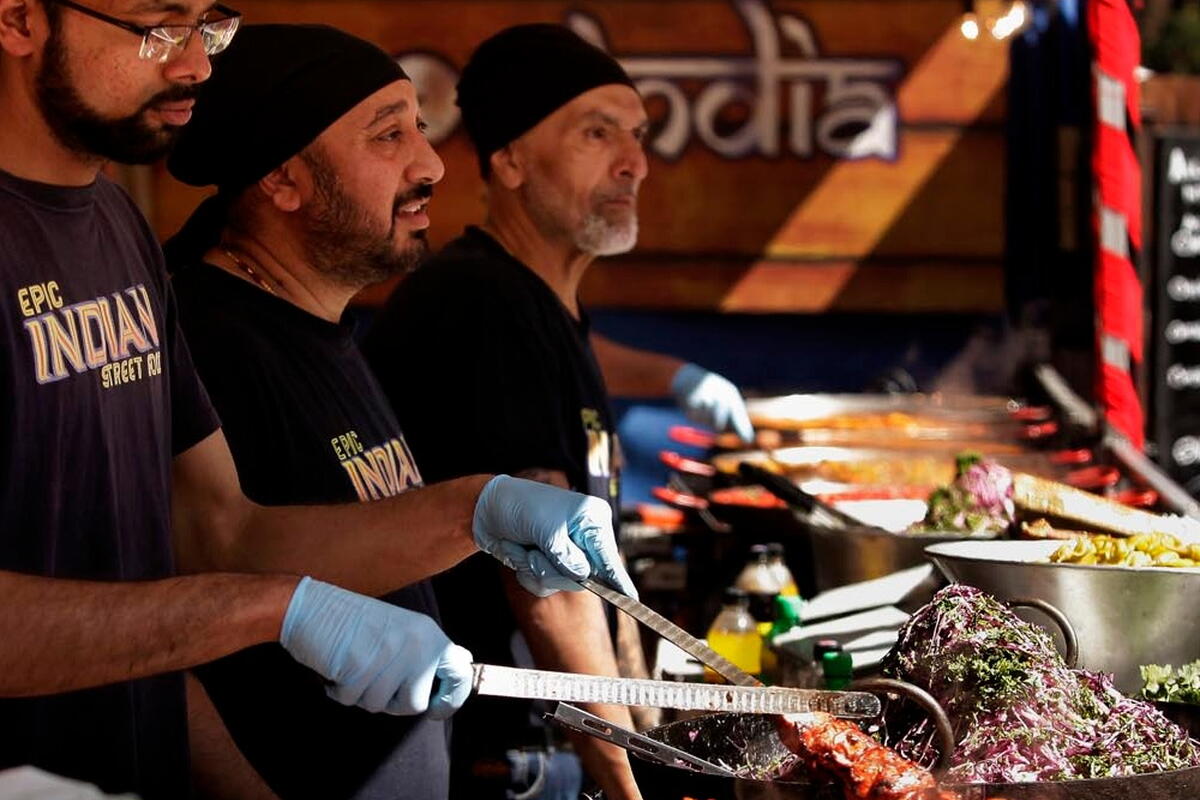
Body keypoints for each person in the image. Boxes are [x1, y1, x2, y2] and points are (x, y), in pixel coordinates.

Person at [0, 4, 634, 798]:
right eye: (159, 25)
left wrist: (473, 511)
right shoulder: (213, 321)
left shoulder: (117, 227)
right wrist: (278, 611)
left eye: (206, 26)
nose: (195, 64)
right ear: (19, 20)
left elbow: (218, 533)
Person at [363, 23, 752, 800]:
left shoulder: (532, 300)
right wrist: (630, 782)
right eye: (596, 134)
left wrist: (676, 375)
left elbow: (572, 359)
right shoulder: (483, 304)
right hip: (504, 754)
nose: (634, 163)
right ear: (509, 161)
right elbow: (548, 588)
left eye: (637, 136)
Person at [162, 22, 478, 800]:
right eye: (389, 136)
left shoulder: (323, 322)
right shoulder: (205, 341)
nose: (431, 164)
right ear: (284, 180)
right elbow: (165, 628)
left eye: (420, 128)